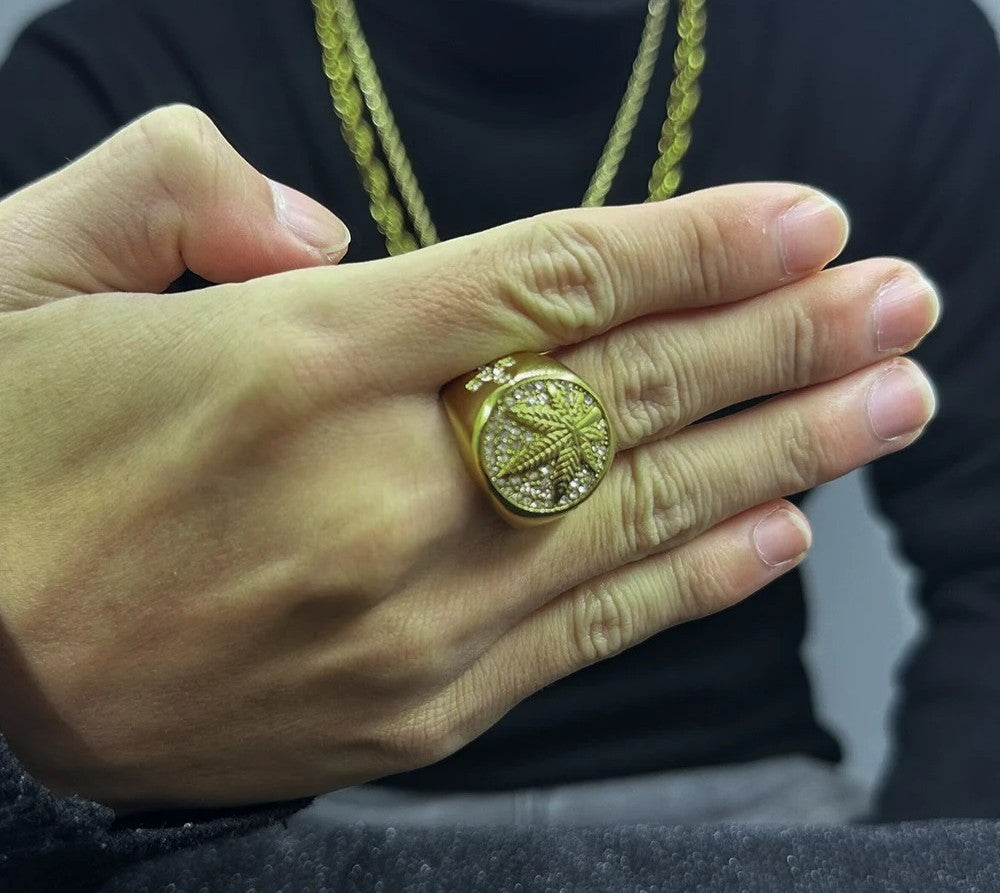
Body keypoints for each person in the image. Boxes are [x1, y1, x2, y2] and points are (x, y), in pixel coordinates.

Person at [0, 0, 997, 881]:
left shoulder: (898, 44)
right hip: (271, 802)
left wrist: (927, 852)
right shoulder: (117, 63)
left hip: (747, 795)